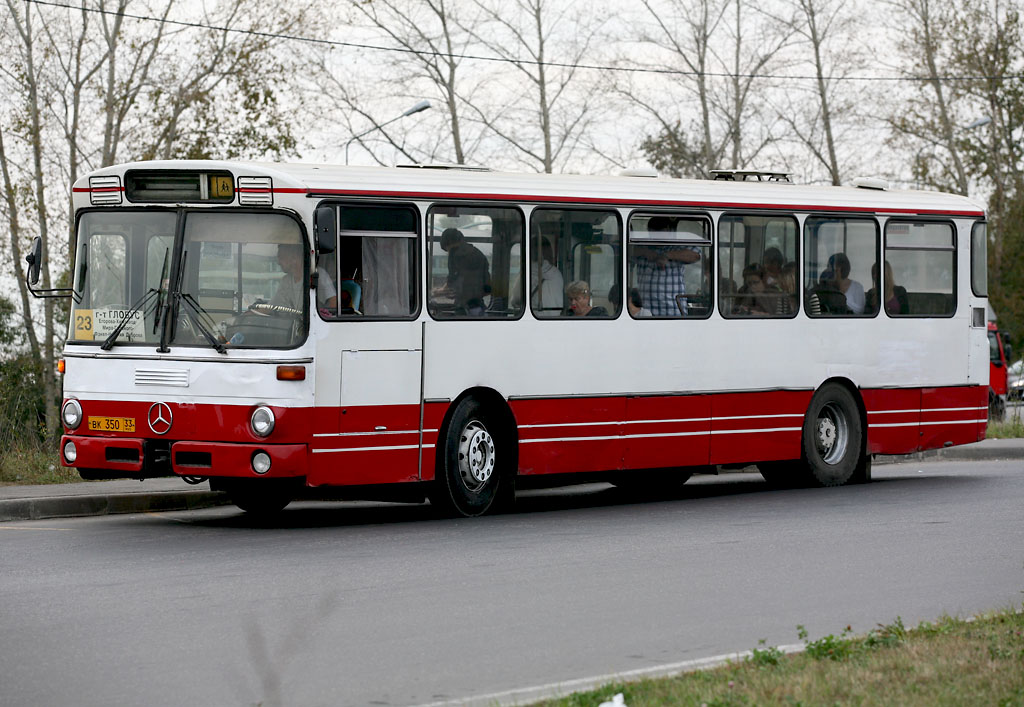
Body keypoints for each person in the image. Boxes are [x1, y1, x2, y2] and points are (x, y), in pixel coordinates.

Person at [631, 216, 700, 316]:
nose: (657, 237)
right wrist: (645, 252)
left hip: (672, 312)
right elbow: (625, 251)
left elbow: (696, 255)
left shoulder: (676, 246)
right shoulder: (643, 246)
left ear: (668, 231)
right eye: (654, 233)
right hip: (646, 314)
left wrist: (668, 255)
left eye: (661, 233)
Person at [437, 227, 490, 315]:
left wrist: (439, 291)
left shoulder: (456, 254)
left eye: (448, 250)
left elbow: (452, 280)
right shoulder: (479, 254)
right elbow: (487, 288)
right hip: (479, 308)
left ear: (449, 244)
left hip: (465, 309)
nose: (449, 253)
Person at [511, 237, 564, 315]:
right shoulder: (557, 273)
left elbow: (516, 300)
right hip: (555, 320)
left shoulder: (528, 272)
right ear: (550, 252)